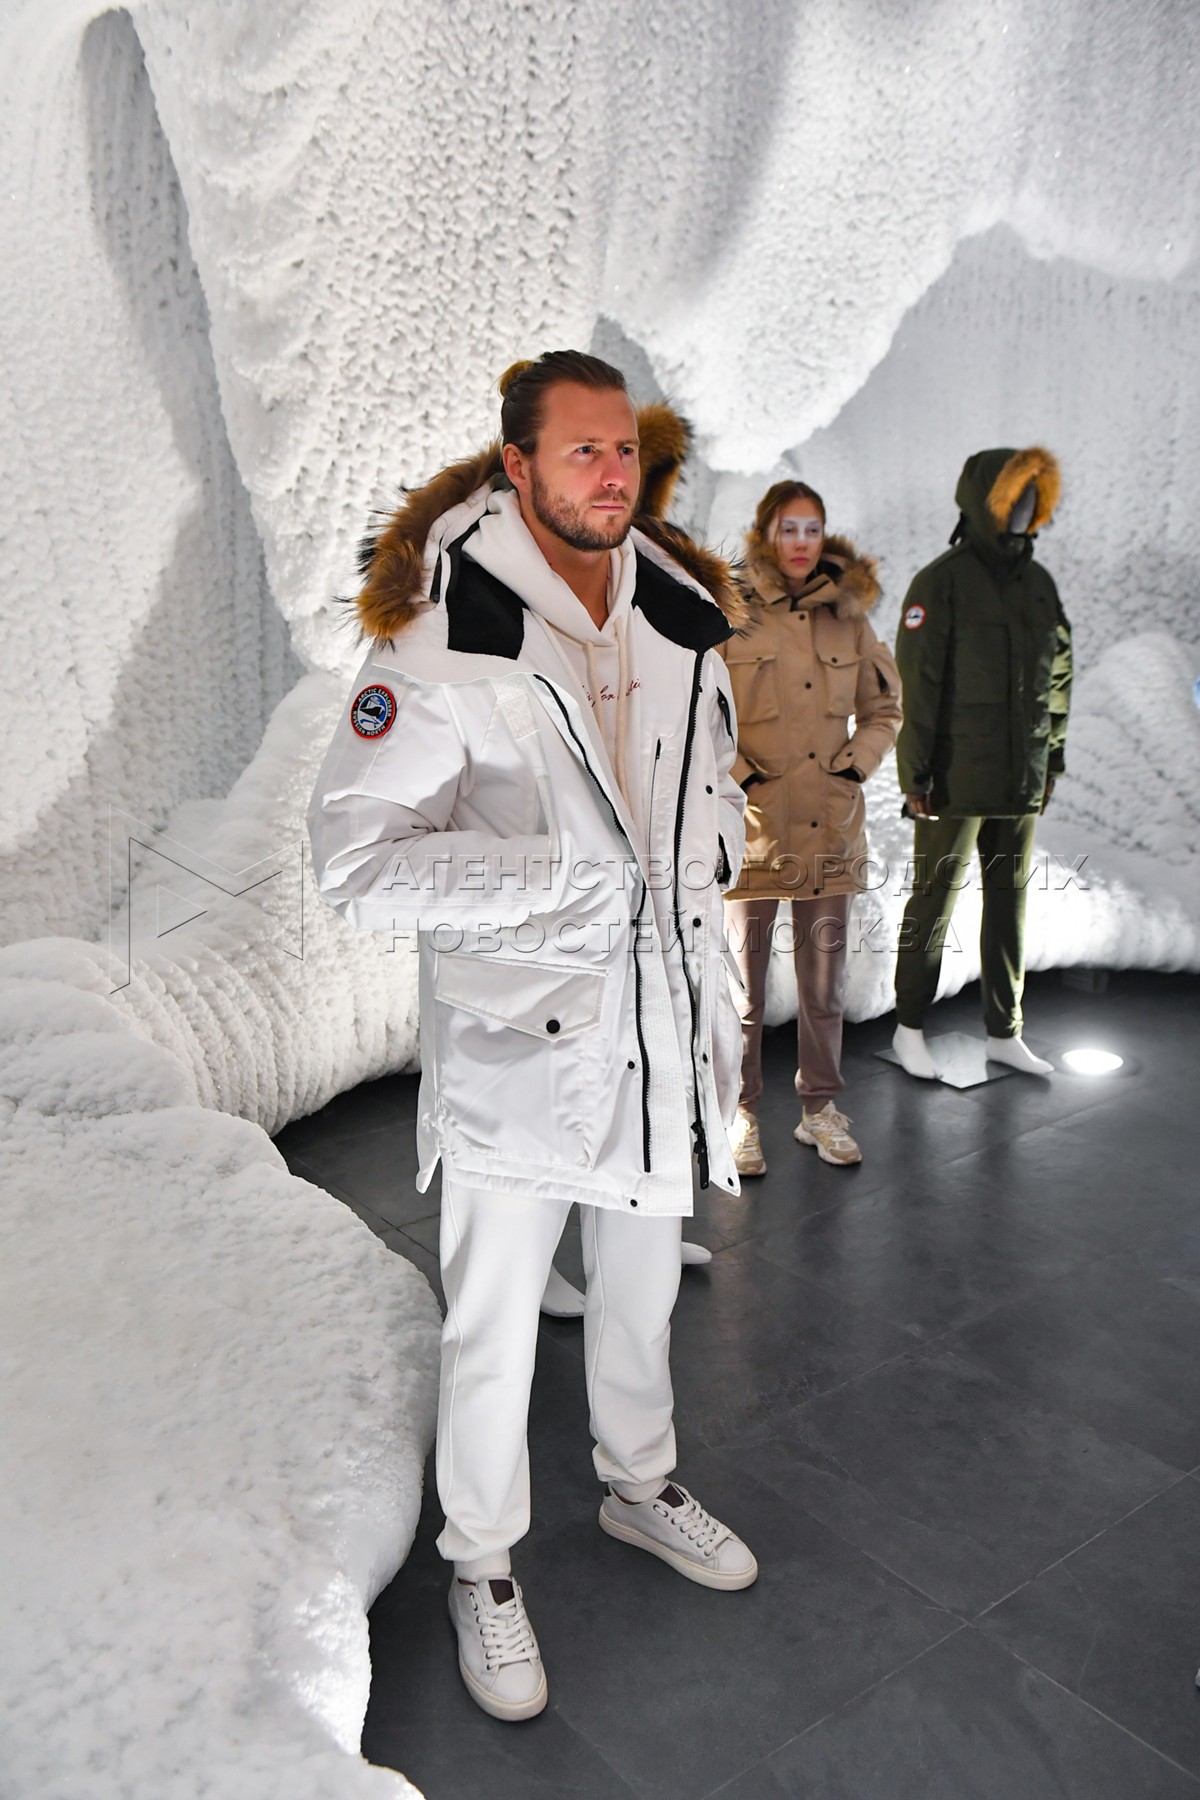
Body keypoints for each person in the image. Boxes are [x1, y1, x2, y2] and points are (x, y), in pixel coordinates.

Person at [308, 351, 757, 1724]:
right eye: (580, 450)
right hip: (522, 1040)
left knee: (642, 1288)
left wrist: (717, 855)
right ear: (518, 465)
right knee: (495, 1326)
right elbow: (356, 860)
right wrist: (553, 880)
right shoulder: (441, 641)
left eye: (623, 449)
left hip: (660, 1027)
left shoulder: (679, 615)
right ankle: (482, 1562)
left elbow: (712, 789)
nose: (612, 474)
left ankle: (640, 1483)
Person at [719, 482, 901, 1173]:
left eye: (812, 529)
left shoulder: (848, 618)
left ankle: (819, 1109)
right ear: (767, 533)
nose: (801, 542)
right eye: (789, 528)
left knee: (824, 988)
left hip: (830, 828)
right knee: (742, 990)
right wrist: (743, 778)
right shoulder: (733, 610)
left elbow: (884, 708)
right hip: (754, 831)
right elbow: (704, 712)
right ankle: (740, 1113)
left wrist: (855, 766)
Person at [890, 446, 1072, 1078]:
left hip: (1019, 778)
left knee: (1009, 903)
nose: (1026, 507)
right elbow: (917, 687)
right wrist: (915, 774)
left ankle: (1004, 1030)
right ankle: (909, 1026)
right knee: (933, 901)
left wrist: (1050, 762)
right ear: (986, 500)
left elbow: (1057, 679)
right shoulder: (940, 583)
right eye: (1015, 494)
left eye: (1034, 496)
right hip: (954, 779)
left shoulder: (1040, 586)